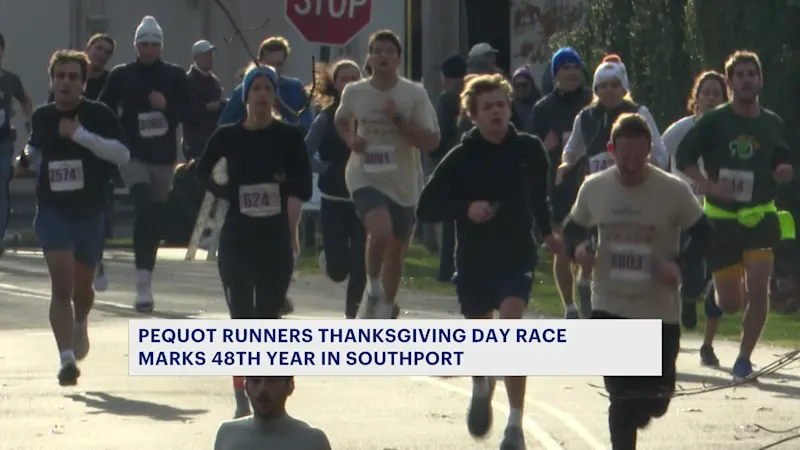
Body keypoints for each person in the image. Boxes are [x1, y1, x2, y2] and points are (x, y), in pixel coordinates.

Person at [417, 73, 562, 450]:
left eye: (502, 104)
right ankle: (481, 385)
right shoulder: (461, 157)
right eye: (488, 107)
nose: (497, 112)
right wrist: (466, 208)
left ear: (510, 107)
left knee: (512, 333)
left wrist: (548, 234)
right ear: (474, 115)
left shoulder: (529, 150)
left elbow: (538, 200)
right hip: (474, 259)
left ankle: (515, 424)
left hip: (516, 254)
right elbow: (426, 206)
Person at [562, 113, 711, 449]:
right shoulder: (594, 187)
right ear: (611, 150)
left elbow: (703, 234)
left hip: (658, 309)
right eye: (623, 157)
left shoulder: (672, 190)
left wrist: (679, 266)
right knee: (622, 398)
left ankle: (640, 408)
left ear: (650, 152)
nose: (630, 165)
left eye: (638, 157)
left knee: (656, 400)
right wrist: (580, 249)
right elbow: (573, 229)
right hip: (610, 305)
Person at [196, 64, 313, 418]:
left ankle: (270, 389)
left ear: (275, 96)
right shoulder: (228, 136)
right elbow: (201, 171)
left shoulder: (289, 137)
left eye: (267, 87)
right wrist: (227, 190)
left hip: (274, 242)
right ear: (245, 96)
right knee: (242, 319)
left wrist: (281, 185)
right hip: (237, 241)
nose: (262, 93)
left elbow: (304, 185)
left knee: (268, 319)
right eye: (256, 87)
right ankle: (243, 391)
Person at [675, 50, 794, 380]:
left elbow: (782, 157)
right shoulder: (714, 121)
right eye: (739, 75)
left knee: (759, 288)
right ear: (729, 82)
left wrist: (783, 170)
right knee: (731, 303)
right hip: (722, 220)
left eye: (751, 74)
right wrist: (707, 185)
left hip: (760, 217)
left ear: (760, 79)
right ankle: (718, 289)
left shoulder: (771, 122)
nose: (746, 80)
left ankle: (744, 358)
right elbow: (685, 157)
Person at [17, 50, 129, 386]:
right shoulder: (43, 116)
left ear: (83, 82)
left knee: (83, 288)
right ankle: (66, 359)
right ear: (51, 81)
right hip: (52, 211)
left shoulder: (98, 114)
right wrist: (22, 162)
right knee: (61, 285)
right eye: (60, 76)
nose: (66, 82)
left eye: (73, 77)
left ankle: (81, 321)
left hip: (89, 210)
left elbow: (122, 154)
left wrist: (80, 135)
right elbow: (35, 149)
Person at [334, 29, 440, 319]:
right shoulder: (355, 91)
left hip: (404, 182)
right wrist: (350, 140)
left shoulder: (413, 94)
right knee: (380, 230)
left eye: (388, 51)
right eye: (376, 50)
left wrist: (400, 122)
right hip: (365, 175)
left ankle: (383, 308)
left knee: (396, 249)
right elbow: (342, 119)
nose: (382, 55)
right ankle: (372, 287)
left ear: (398, 59)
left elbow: (431, 141)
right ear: (368, 58)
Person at [555, 59, 668, 318]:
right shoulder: (586, 117)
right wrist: (565, 165)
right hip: (598, 193)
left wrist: (643, 162)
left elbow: (660, 154)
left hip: (634, 192)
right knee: (588, 247)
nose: (607, 91)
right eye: (602, 85)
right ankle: (585, 287)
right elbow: (572, 149)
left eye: (614, 85)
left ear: (624, 86)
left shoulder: (639, 112)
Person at [98, 16, 190, 313]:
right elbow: (103, 108)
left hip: (163, 156)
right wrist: (115, 138)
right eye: (144, 44)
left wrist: (168, 107)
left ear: (160, 46)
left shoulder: (174, 75)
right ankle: (141, 282)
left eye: (154, 45)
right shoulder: (122, 75)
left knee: (155, 216)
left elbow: (189, 113)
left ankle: (145, 275)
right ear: (136, 46)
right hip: (132, 154)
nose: (149, 50)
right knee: (145, 206)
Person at [218, 36, 314, 314]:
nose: (275, 69)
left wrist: (281, 113)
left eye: (279, 65)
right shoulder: (243, 91)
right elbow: (224, 124)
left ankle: (277, 288)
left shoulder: (294, 89)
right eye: (269, 63)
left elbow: (306, 125)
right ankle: (249, 283)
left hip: (285, 172)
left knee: (287, 226)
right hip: (249, 173)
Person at [661, 71, 728, 350]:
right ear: (696, 99)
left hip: (718, 210)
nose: (711, 98)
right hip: (683, 212)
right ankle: (687, 299)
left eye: (717, 93)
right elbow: (655, 159)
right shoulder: (679, 131)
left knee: (720, 277)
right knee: (689, 269)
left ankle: (708, 342)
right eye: (706, 92)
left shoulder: (731, 132)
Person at [49, 33, 117, 292]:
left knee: (98, 210)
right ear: (88, 47)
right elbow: (50, 113)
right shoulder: (66, 76)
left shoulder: (111, 81)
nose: (100, 54)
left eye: (106, 51)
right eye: (97, 48)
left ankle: (94, 258)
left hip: (98, 156)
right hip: (66, 155)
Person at [530, 47, 592, 319]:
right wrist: (547, 146)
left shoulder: (593, 101)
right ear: (556, 74)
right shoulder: (543, 108)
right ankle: (569, 306)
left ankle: (587, 285)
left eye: (575, 67)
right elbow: (534, 151)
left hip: (590, 182)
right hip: (558, 185)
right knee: (563, 248)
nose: (571, 72)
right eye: (565, 67)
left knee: (590, 248)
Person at [304, 59, 367, 319]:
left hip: (364, 197)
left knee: (361, 261)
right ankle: (328, 262)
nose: (350, 83)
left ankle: (354, 315)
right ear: (335, 84)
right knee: (339, 268)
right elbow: (306, 151)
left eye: (356, 77)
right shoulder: (327, 117)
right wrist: (324, 168)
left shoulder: (370, 115)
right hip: (333, 197)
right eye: (344, 78)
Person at [213, 376, 332, 450]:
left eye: (272, 380)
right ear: (246, 387)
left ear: (290, 386)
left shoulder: (312, 441)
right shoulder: (227, 436)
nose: (263, 388)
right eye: (256, 381)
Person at [0, 32, 34, 252]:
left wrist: (28, 123)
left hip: (2, 142)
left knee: (1, 187)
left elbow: (26, 101)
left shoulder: (10, 79)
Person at [183, 40, 225, 161]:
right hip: (195, 143)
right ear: (196, 58)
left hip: (213, 141)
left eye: (211, 54)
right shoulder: (188, 81)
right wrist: (205, 108)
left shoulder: (215, 81)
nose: (210, 58)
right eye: (206, 55)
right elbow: (185, 112)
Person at [509, 65, 541, 134]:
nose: (521, 88)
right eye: (517, 85)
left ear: (531, 85)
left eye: (524, 84)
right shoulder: (510, 107)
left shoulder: (542, 105)